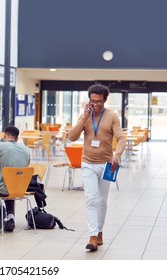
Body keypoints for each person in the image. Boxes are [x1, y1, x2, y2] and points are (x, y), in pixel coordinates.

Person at [68, 84, 126, 251]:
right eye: (93, 101)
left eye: (99, 101)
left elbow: (121, 139)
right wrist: (83, 118)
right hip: (88, 163)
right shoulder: (85, 116)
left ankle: (99, 231)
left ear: (105, 101)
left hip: (107, 164)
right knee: (91, 198)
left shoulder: (112, 116)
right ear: (89, 100)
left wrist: (117, 156)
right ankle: (92, 236)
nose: (96, 104)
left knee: (102, 200)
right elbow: (72, 137)